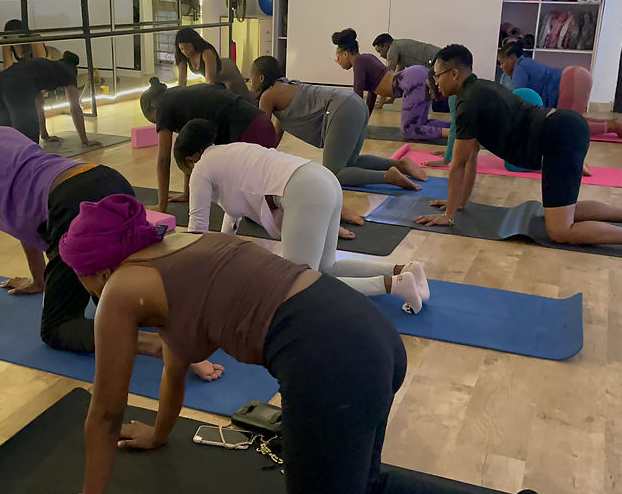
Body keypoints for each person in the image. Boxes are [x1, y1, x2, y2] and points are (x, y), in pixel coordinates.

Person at [28, 193, 475, 494]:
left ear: (100, 271)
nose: (85, 288)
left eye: (80, 276)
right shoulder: (180, 249)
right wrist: (159, 433)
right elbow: (175, 360)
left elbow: (105, 414)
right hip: (372, 336)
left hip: (330, 362)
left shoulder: (121, 290)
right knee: (365, 490)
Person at [0, 87, 222, 381]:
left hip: (71, 206)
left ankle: (159, 347)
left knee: (58, 328)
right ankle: (194, 325)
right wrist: (39, 280)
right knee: (116, 294)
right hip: (104, 179)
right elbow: (20, 210)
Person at [415, 44, 622, 252]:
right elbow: (471, 156)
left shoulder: (467, 104)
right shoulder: (481, 89)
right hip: (563, 127)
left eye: (438, 75)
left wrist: (448, 216)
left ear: (454, 74)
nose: (435, 82)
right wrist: (459, 204)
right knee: (566, 210)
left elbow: (459, 165)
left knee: (560, 230)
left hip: (558, 136)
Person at [176, 119, 429, 313]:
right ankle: (404, 270)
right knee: (327, 267)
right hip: (321, 178)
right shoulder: (231, 151)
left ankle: (394, 285)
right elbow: (231, 219)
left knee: (299, 284)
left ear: (190, 158)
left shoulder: (201, 169)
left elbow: (197, 230)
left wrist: (188, 275)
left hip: (304, 190)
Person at [252, 55, 427, 190]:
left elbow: (262, 131)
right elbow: (274, 134)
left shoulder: (268, 96)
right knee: (349, 164)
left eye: (251, 76)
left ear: (260, 78)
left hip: (341, 109)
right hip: (354, 103)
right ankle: (399, 165)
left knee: (333, 172)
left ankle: (389, 177)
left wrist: (251, 160)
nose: (250, 82)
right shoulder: (287, 86)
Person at [139, 77, 277, 213]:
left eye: (154, 120)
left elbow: (163, 160)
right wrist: (187, 194)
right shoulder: (179, 98)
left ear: (152, 106)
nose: (159, 125)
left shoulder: (164, 105)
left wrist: (161, 206)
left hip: (249, 131)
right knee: (251, 200)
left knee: (255, 206)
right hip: (262, 123)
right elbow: (190, 150)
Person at [332, 28, 449, 141]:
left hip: (412, 81)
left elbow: (357, 96)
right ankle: (456, 126)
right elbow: (371, 95)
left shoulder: (359, 62)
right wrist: (363, 122)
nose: (338, 63)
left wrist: (351, 124)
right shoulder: (366, 58)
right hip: (417, 75)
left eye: (338, 58)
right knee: (421, 123)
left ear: (345, 54)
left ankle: (451, 133)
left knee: (409, 130)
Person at [497, 42, 622, 138]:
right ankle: (613, 124)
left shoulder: (519, 69)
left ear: (512, 59)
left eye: (503, 63)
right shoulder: (525, 62)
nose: (502, 67)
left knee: (568, 127)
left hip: (572, 80)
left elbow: (519, 98)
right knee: (573, 120)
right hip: (576, 76)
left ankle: (613, 126)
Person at [0, 52, 101, 148]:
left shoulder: (45, 67)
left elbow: (39, 104)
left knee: (1, 134)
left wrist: (44, 135)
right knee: (27, 139)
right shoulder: (68, 72)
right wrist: (85, 141)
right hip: (19, 84)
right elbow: (75, 107)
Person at [174, 27, 251, 100]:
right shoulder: (182, 55)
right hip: (216, 76)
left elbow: (210, 82)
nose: (185, 52)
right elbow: (182, 80)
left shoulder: (207, 52)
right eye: (182, 49)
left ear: (194, 43)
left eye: (187, 48)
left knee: (243, 98)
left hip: (228, 71)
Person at [372, 33, 441, 72]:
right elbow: (397, 75)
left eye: (380, 51)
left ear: (385, 45)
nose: (380, 55)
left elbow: (388, 73)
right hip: (438, 56)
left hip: (435, 60)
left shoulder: (393, 48)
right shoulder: (399, 47)